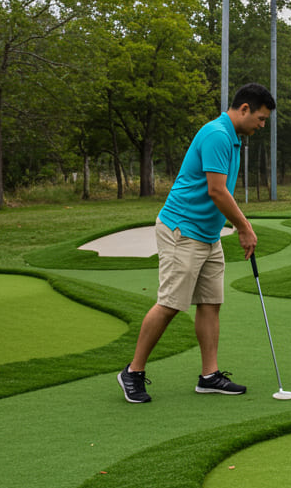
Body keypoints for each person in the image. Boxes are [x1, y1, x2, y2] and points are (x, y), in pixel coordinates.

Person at [117, 83, 276, 403]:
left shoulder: (233, 140)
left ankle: (209, 375)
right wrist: (244, 228)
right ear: (244, 109)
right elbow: (217, 191)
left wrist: (238, 224)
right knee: (171, 303)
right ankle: (132, 372)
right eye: (260, 118)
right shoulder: (217, 134)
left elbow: (221, 194)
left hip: (207, 235)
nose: (261, 125)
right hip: (182, 231)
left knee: (210, 302)